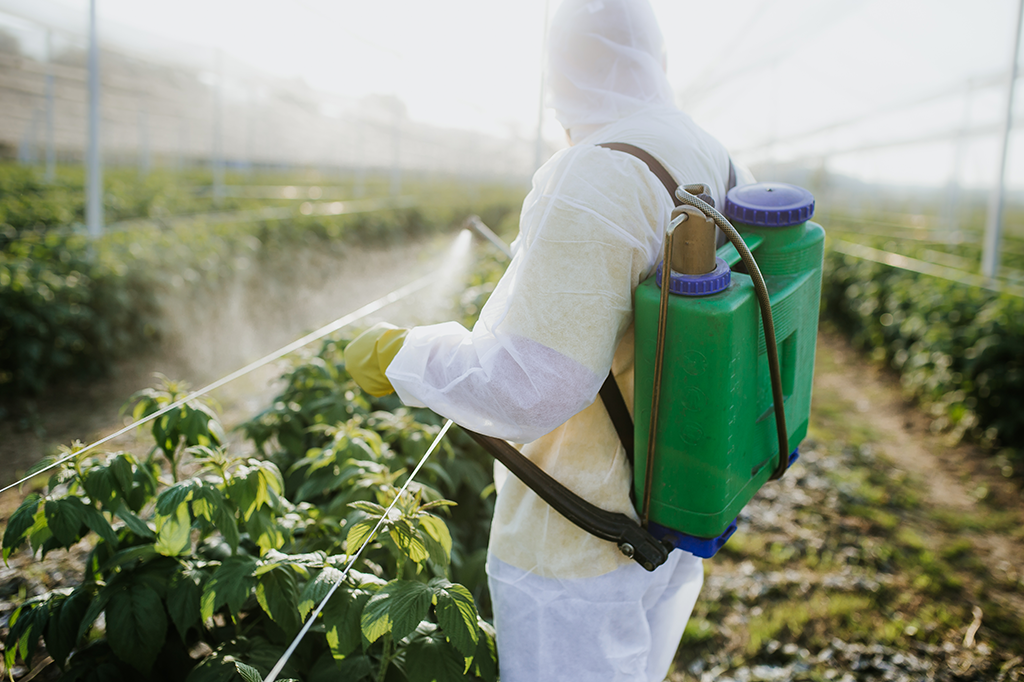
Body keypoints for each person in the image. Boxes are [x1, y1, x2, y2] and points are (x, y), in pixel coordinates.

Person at [344, 1, 753, 679]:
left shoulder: (600, 173)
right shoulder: (709, 151)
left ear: (561, 70)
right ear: (655, 56)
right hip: (671, 503)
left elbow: (531, 385)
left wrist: (405, 357)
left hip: (578, 542)